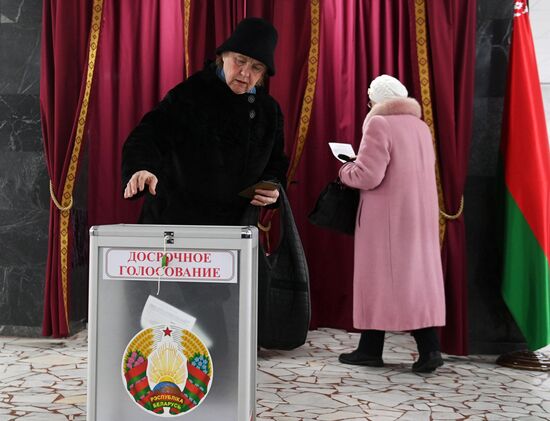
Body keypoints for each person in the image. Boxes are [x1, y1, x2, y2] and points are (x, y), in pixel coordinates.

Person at [122, 17, 289, 225]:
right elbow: (147, 136)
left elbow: (276, 162)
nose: (245, 73)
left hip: (235, 230)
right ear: (223, 56)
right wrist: (141, 168)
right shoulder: (190, 94)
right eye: (240, 60)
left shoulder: (269, 110)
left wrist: (273, 187)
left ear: (263, 73)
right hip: (175, 223)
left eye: (256, 67)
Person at [337, 75, 446, 373]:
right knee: (416, 281)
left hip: (385, 220)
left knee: (378, 281)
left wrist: (345, 168)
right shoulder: (420, 127)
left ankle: (373, 351)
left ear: (376, 100)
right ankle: (426, 348)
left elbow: (368, 176)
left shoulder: (378, 124)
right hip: (419, 218)